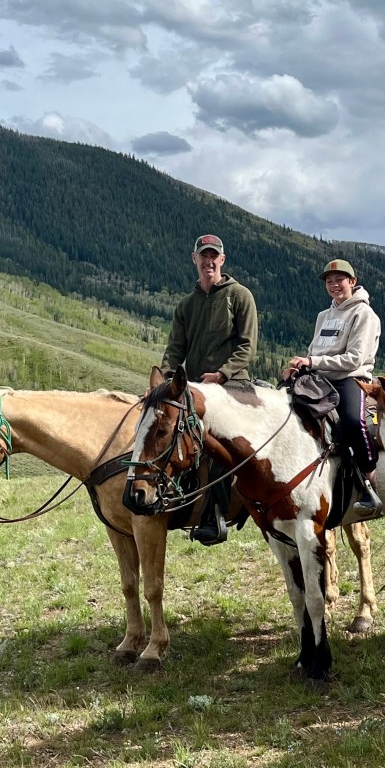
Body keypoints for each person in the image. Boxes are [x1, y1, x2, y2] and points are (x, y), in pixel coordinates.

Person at [162, 233, 258, 544]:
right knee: (163, 431)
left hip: (234, 385)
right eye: (204, 255)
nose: (209, 261)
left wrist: (223, 373)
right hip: (195, 388)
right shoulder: (186, 306)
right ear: (195, 259)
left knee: (215, 443)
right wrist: (166, 380)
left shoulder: (239, 295)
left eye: (214, 255)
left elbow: (247, 347)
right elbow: (175, 348)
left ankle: (214, 514)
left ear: (222, 260)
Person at [282, 258, 383, 520]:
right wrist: (299, 368)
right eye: (329, 281)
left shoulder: (364, 314)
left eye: (339, 279)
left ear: (352, 281)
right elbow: (313, 351)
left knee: (351, 420)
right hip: (319, 378)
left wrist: (313, 362)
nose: (334, 285)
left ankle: (369, 482)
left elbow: (354, 359)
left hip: (351, 378)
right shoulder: (323, 316)